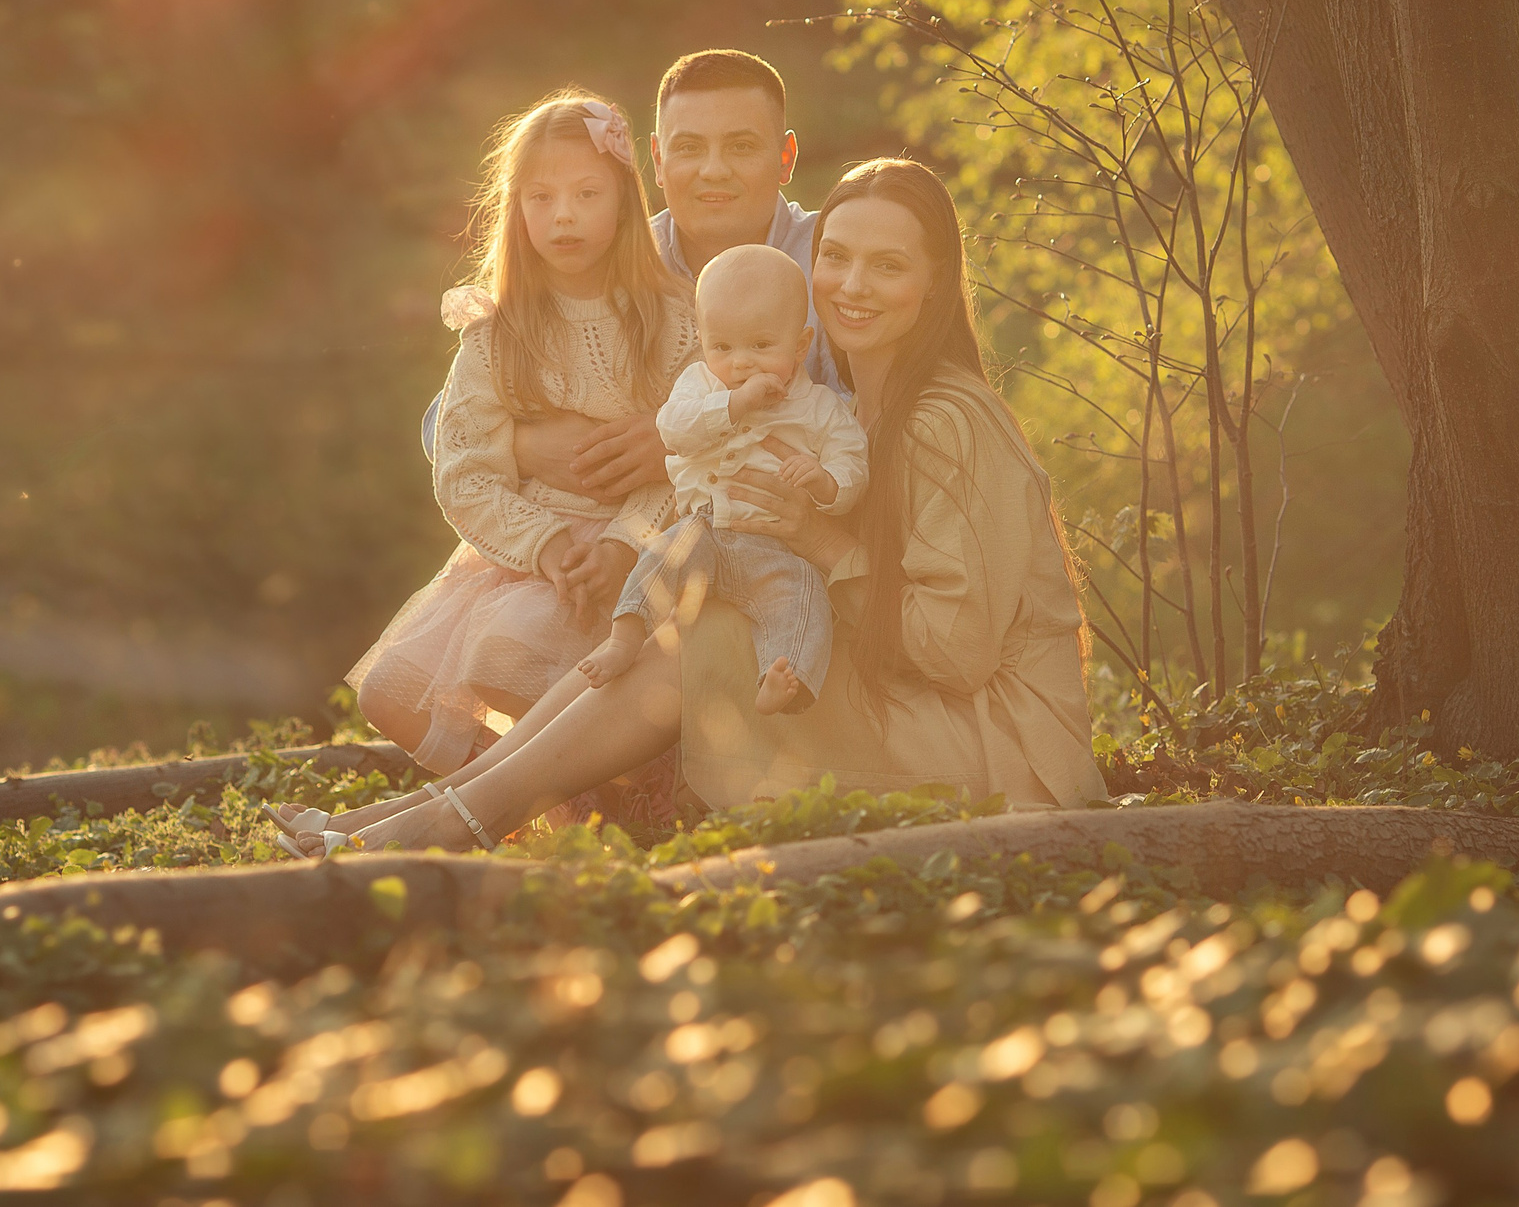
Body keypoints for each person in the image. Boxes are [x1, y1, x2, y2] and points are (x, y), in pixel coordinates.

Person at [288, 158, 1108, 856]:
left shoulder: (946, 421)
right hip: (928, 705)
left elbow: (957, 654)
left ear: (933, 285)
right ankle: (425, 812)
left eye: (888, 265)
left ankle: (457, 821)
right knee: (689, 601)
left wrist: (820, 540)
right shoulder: (853, 402)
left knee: (705, 631)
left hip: (1000, 743)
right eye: (837, 257)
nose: (853, 286)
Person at [339, 91, 696, 775]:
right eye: (541, 197)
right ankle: (540, 798)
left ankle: (601, 785)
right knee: (390, 690)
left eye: (587, 192)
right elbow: (463, 466)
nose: (563, 214)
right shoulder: (496, 329)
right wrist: (547, 542)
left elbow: (690, 459)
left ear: (624, 198)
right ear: (515, 207)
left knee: (506, 652)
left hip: (636, 549)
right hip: (531, 549)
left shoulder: (671, 319)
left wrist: (624, 545)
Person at [421, 50, 837, 506]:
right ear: (656, 159)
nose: (713, 169)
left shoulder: (833, 260)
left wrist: (678, 440)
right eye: (689, 147)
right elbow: (446, 418)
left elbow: (864, 425)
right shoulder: (611, 255)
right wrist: (527, 446)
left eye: (740, 146)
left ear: (785, 156)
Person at [578, 243, 866, 716]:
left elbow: (852, 458)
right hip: (706, 528)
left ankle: (783, 676)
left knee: (804, 597)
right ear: (704, 342)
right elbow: (673, 428)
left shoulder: (818, 407)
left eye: (760, 346)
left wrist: (824, 481)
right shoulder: (702, 385)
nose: (741, 364)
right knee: (662, 556)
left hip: (778, 548)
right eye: (724, 347)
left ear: (800, 345)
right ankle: (624, 638)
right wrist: (736, 405)